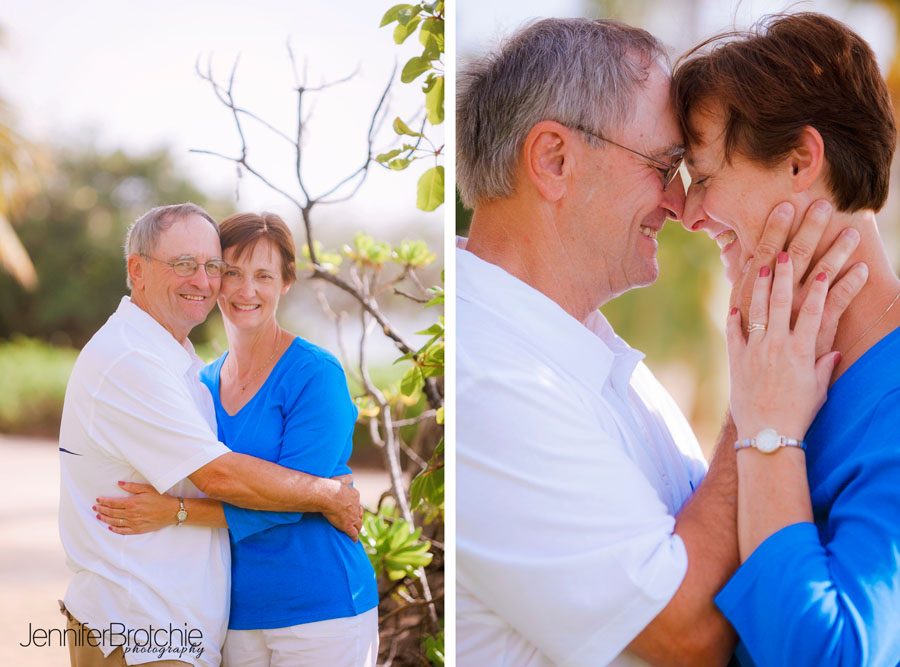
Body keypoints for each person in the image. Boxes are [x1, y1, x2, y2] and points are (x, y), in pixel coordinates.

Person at [455, 17, 865, 666]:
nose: (681, 206)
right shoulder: (487, 381)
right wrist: (757, 412)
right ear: (555, 160)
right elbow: (687, 634)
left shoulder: (586, 352)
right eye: (665, 164)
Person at [673, 12, 900, 666]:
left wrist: (768, 428)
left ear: (801, 160)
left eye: (706, 175)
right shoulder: (781, 363)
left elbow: (831, 655)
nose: (688, 214)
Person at [58, 203, 363, 667]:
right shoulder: (154, 367)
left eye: (210, 266)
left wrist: (177, 512)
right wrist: (327, 493)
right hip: (154, 623)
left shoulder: (198, 369)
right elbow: (225, 477)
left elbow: (278, 501)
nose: (206, 281)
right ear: (137, 270)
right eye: (186, 265)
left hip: (311, 607)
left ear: (286, 283)